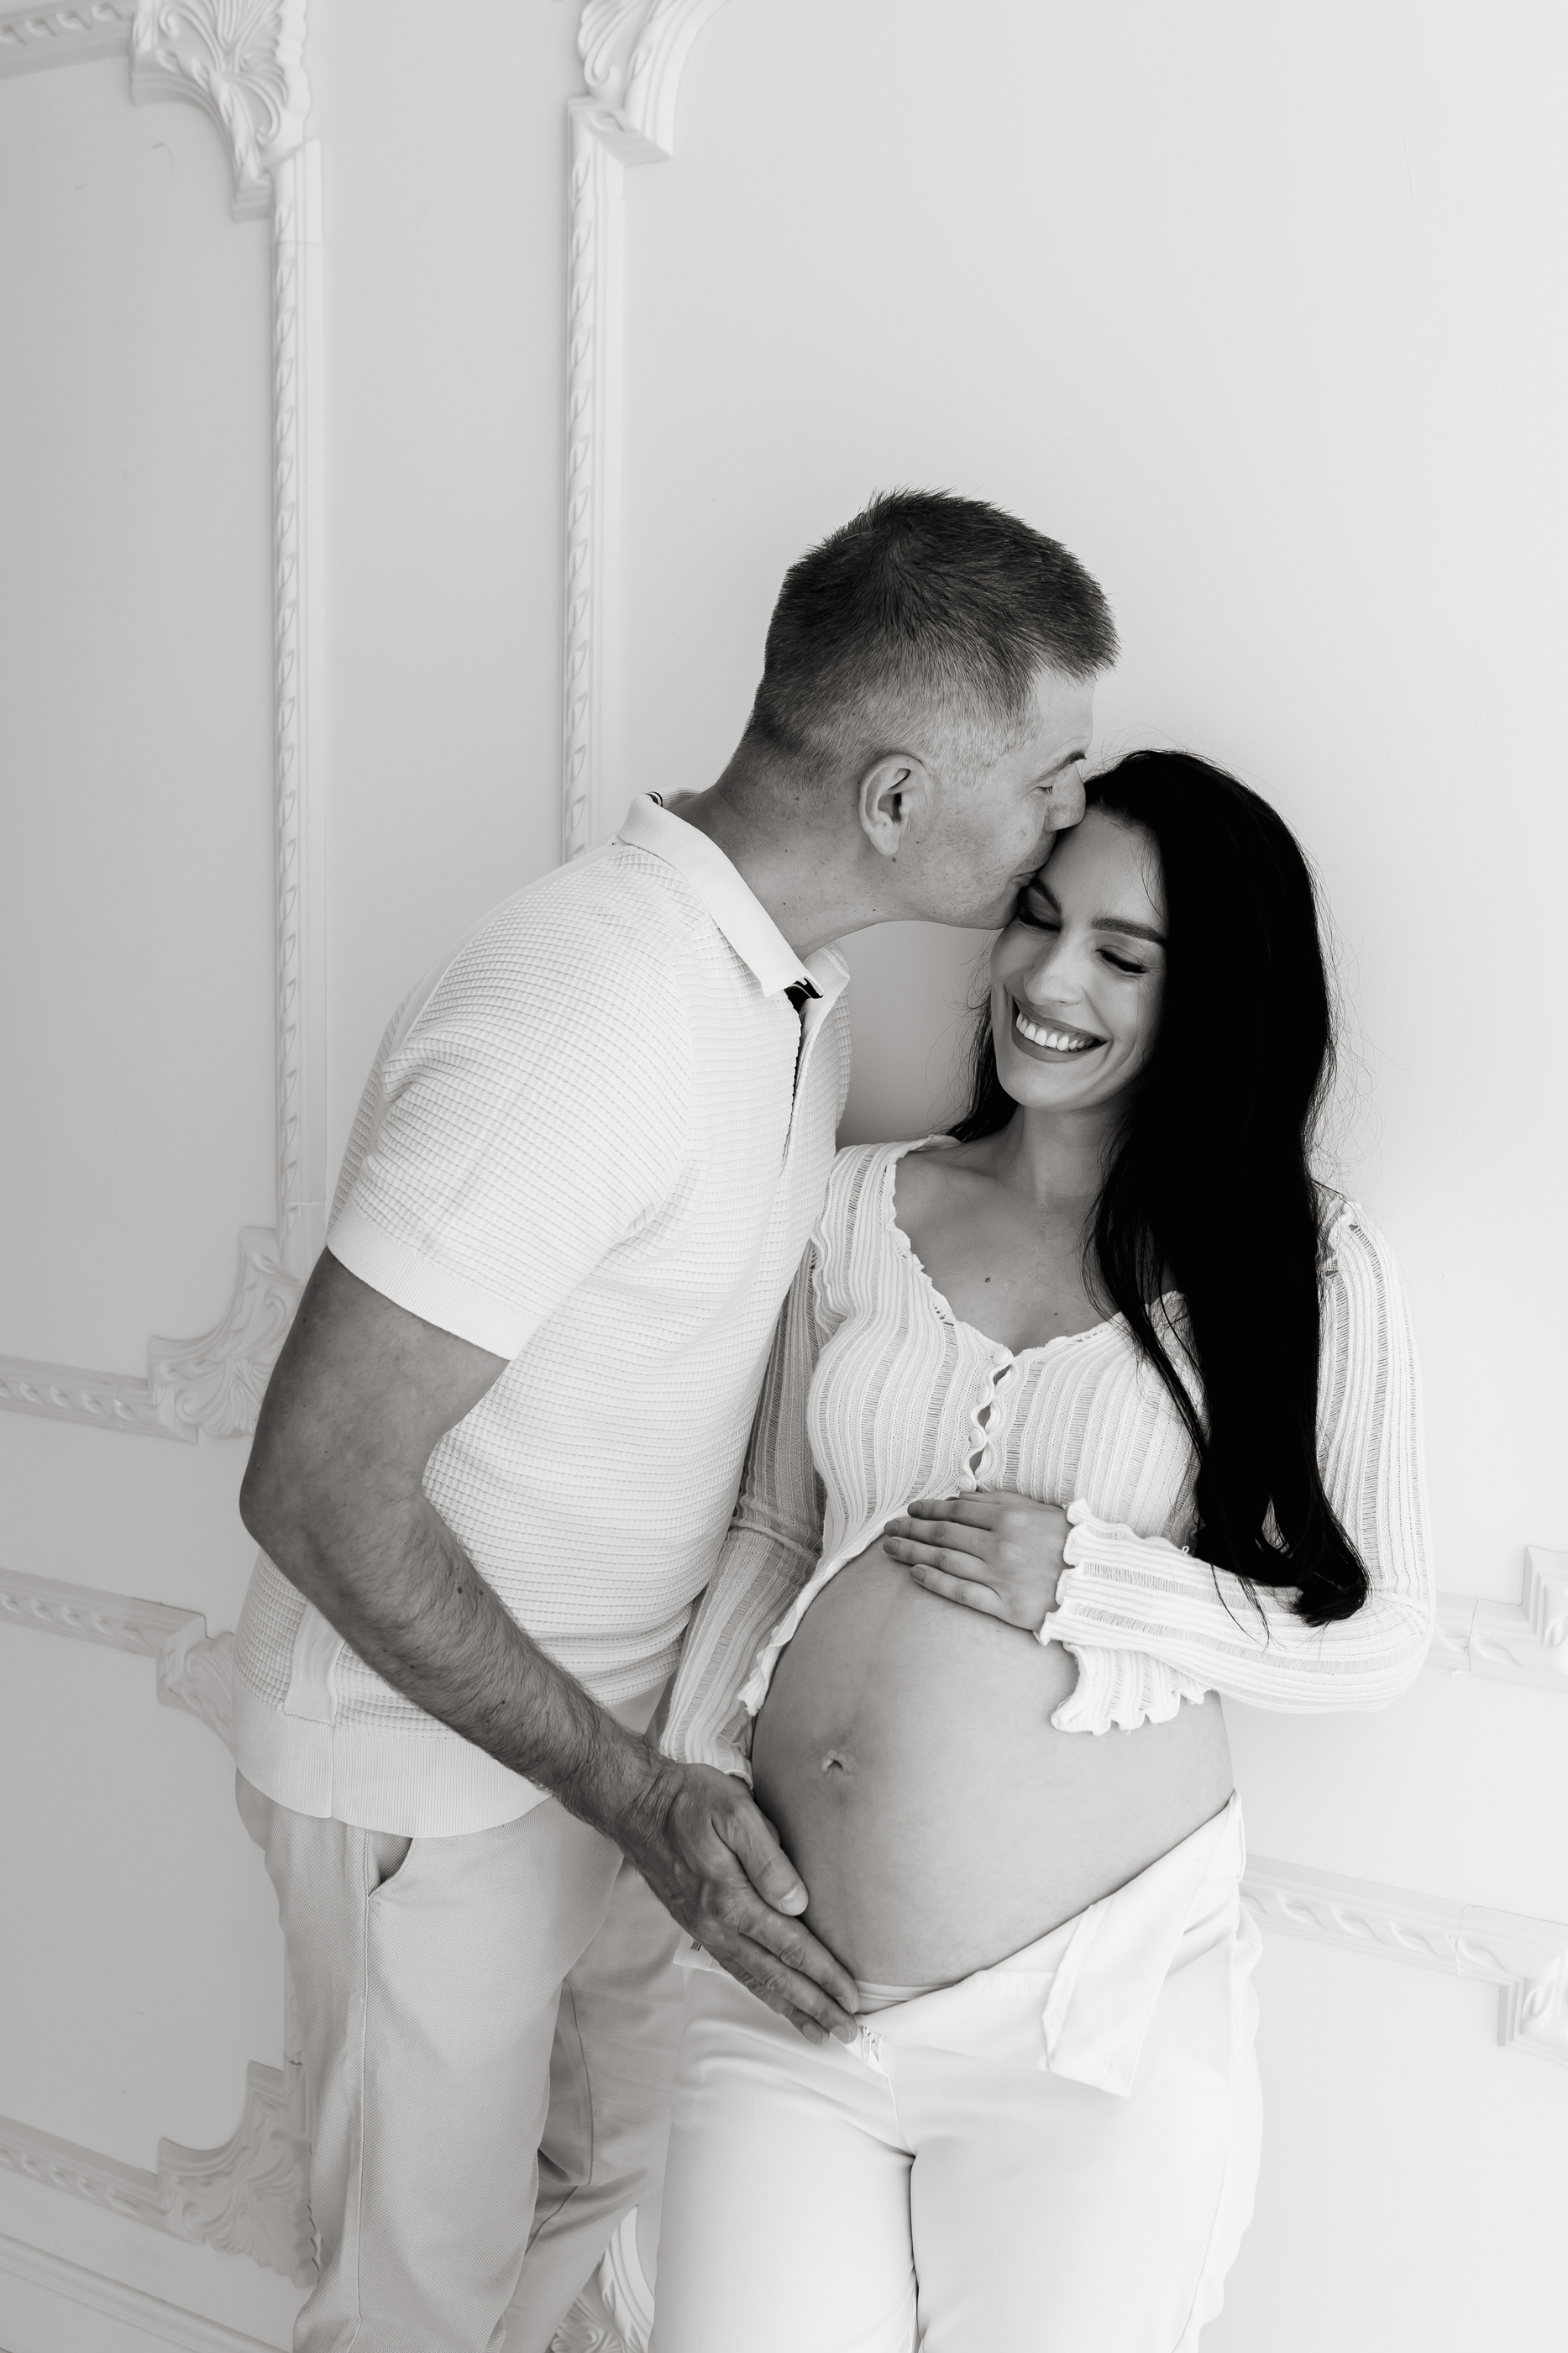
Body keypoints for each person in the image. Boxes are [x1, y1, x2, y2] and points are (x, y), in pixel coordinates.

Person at [231, 490, 1118, 2353]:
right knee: (409, 2309)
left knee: (583, 2221)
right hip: (432, 1784)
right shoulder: (590, 1004)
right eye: (1048, 775)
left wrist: (657, 1780)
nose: (1066, 814)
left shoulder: (786, 999)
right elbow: (317, 1482)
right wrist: (629, 1790)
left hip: (605, 1774)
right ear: (896, 798)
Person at [651, 751, 1435, 2353]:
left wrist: (1088, 1578)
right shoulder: (858, 1205)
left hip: (1088, 2032)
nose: (1050, 977)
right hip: (791, 1989)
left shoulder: (1301, 1267)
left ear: (1209, 1000)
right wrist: (695, 1790)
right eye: (1036, 917)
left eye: (1123, 955)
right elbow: (775, 1528)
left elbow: (1380, 1632)